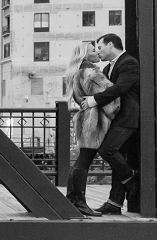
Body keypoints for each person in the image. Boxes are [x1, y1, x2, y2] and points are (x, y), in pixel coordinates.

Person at [80, 33, 141, 214]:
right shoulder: (107, 69)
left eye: (100, 47)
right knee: (117, 156)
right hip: (116, 118)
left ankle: (131, 178)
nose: (98, 51)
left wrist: (93, 100)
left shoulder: (129, 63)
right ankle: (114, 203)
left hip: (128, 118)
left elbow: (120, 88)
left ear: (111, 44)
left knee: (107, 150)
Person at [64, 41, 119, 217]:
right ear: (85, 55)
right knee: (85, 161)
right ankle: (79, 202)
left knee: (81, 160)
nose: (97, 52)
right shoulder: (91, 72)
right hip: (94, 120)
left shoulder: (77, 71)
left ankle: (72, 199)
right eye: (93, 50)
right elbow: (110, 94)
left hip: (84, 118)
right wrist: (115, 112)